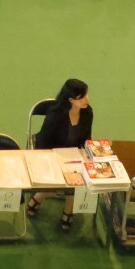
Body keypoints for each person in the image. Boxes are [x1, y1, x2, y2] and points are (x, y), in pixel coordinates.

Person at [28, 79, 93, 231]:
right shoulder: (55, 115)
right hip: (52, 152)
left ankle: (67, 210)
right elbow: (44, 142)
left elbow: (87, 138)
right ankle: (40, 196)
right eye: (82, 97)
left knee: (78, 178)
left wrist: (88, 154)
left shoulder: (87, 112)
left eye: (86, 95)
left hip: (74, 153)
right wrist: (55, 161)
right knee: (59, 178)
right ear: (70, 100)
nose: (86, 99)